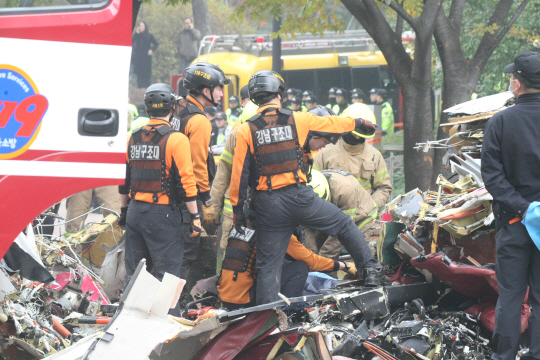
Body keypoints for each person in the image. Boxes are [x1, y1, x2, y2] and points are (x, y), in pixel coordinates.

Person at [229, 70, 390, 305]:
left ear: (255, 99)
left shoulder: (246, 130)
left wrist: (237, 213)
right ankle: (371, 269)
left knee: (268, 266)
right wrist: (358, 122)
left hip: (267, 205)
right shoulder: (298, 119)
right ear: (279, 94)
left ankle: (265, 317)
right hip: (298, 196)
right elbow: (332, 123)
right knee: (344, 224)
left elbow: (239, 176)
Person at [118, 83, 201, 315]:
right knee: (168, 276)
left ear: (146, 108)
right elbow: (187, 181)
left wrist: (124, 212)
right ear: (172, 108)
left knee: (135, 275)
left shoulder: (132, 138)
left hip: (135, 212)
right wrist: (195, 216)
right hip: (162, 214)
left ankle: (126, 322)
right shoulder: (176, 139)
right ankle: (168, 329)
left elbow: (124, 181)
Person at [481, 50, 540, 360]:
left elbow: (492, 177)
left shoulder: (500, 122)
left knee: (511, 296)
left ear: (517, 85)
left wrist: (523, 208)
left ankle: (504, 356)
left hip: (514, 224)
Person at [174, 62, 231, 280]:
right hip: (188, 197)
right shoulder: (199, 122)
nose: (221, 93)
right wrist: (206, 200)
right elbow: (198, 165)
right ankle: (175, 305)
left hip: (168, 194)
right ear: (206, 91)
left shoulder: (176, 107)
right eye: (219, 88)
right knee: (188, 253)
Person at [313, 103, 392, 247]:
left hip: (364, 220)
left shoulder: (375, 155)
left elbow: (384, 188)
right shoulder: (326, 152)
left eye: (360, 135)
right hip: (330, 219)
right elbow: (313, 185)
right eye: (354, 133)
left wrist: (369, 207)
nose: (356, 137)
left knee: (369, 251)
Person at [218, 232, 354, 310]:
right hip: (246, 301)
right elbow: (312, 261)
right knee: (300, 267)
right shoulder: (276, 231)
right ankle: (289, 313)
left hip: (225, 297)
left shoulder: (240, 226)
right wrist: (345, 266)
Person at [305, 169, 381, 259]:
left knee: (365, 256)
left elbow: (344, 227)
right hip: (331, 221)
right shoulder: (303, 191)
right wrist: (311, 259)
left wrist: (324, 262)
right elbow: (306, 228)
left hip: (361, 220)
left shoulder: (345, 191)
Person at [130, 21, 158, 89]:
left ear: (145, 27)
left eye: (142, 26)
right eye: (139, 26)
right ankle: (139, 88)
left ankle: (147, 88)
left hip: (146, 58)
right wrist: (136, 33)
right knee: (139, 74)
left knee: (146, 73)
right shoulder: (137, 35)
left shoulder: (149, 35)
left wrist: (151, 49)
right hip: (138, 58)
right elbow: (132, 41)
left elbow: (156, 44)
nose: (140, 27)